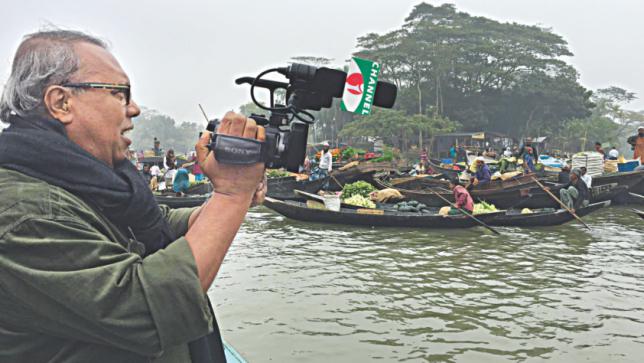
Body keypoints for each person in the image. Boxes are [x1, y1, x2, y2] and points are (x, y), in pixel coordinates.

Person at [0, 30, 266, 362]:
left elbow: (158, 222)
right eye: (120, 94)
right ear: (61, 102)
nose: (135, 109)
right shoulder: (25, 213)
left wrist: (223, 203)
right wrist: (230, 196)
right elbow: (147, 311)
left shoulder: (84, 181)